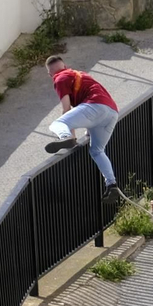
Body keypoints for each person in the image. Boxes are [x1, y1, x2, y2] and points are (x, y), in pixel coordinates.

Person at [44, 56, 121, 200]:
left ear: (50, 74)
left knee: (57, 124)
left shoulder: (59, 79)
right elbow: (86, 109)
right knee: (96, 150)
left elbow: (67, 109)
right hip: (112, 112)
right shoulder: (80, 74)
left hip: (95, 107)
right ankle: (112, 185)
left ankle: (65, 136)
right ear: (65, 65)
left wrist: (71, 137)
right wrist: (88, 131)